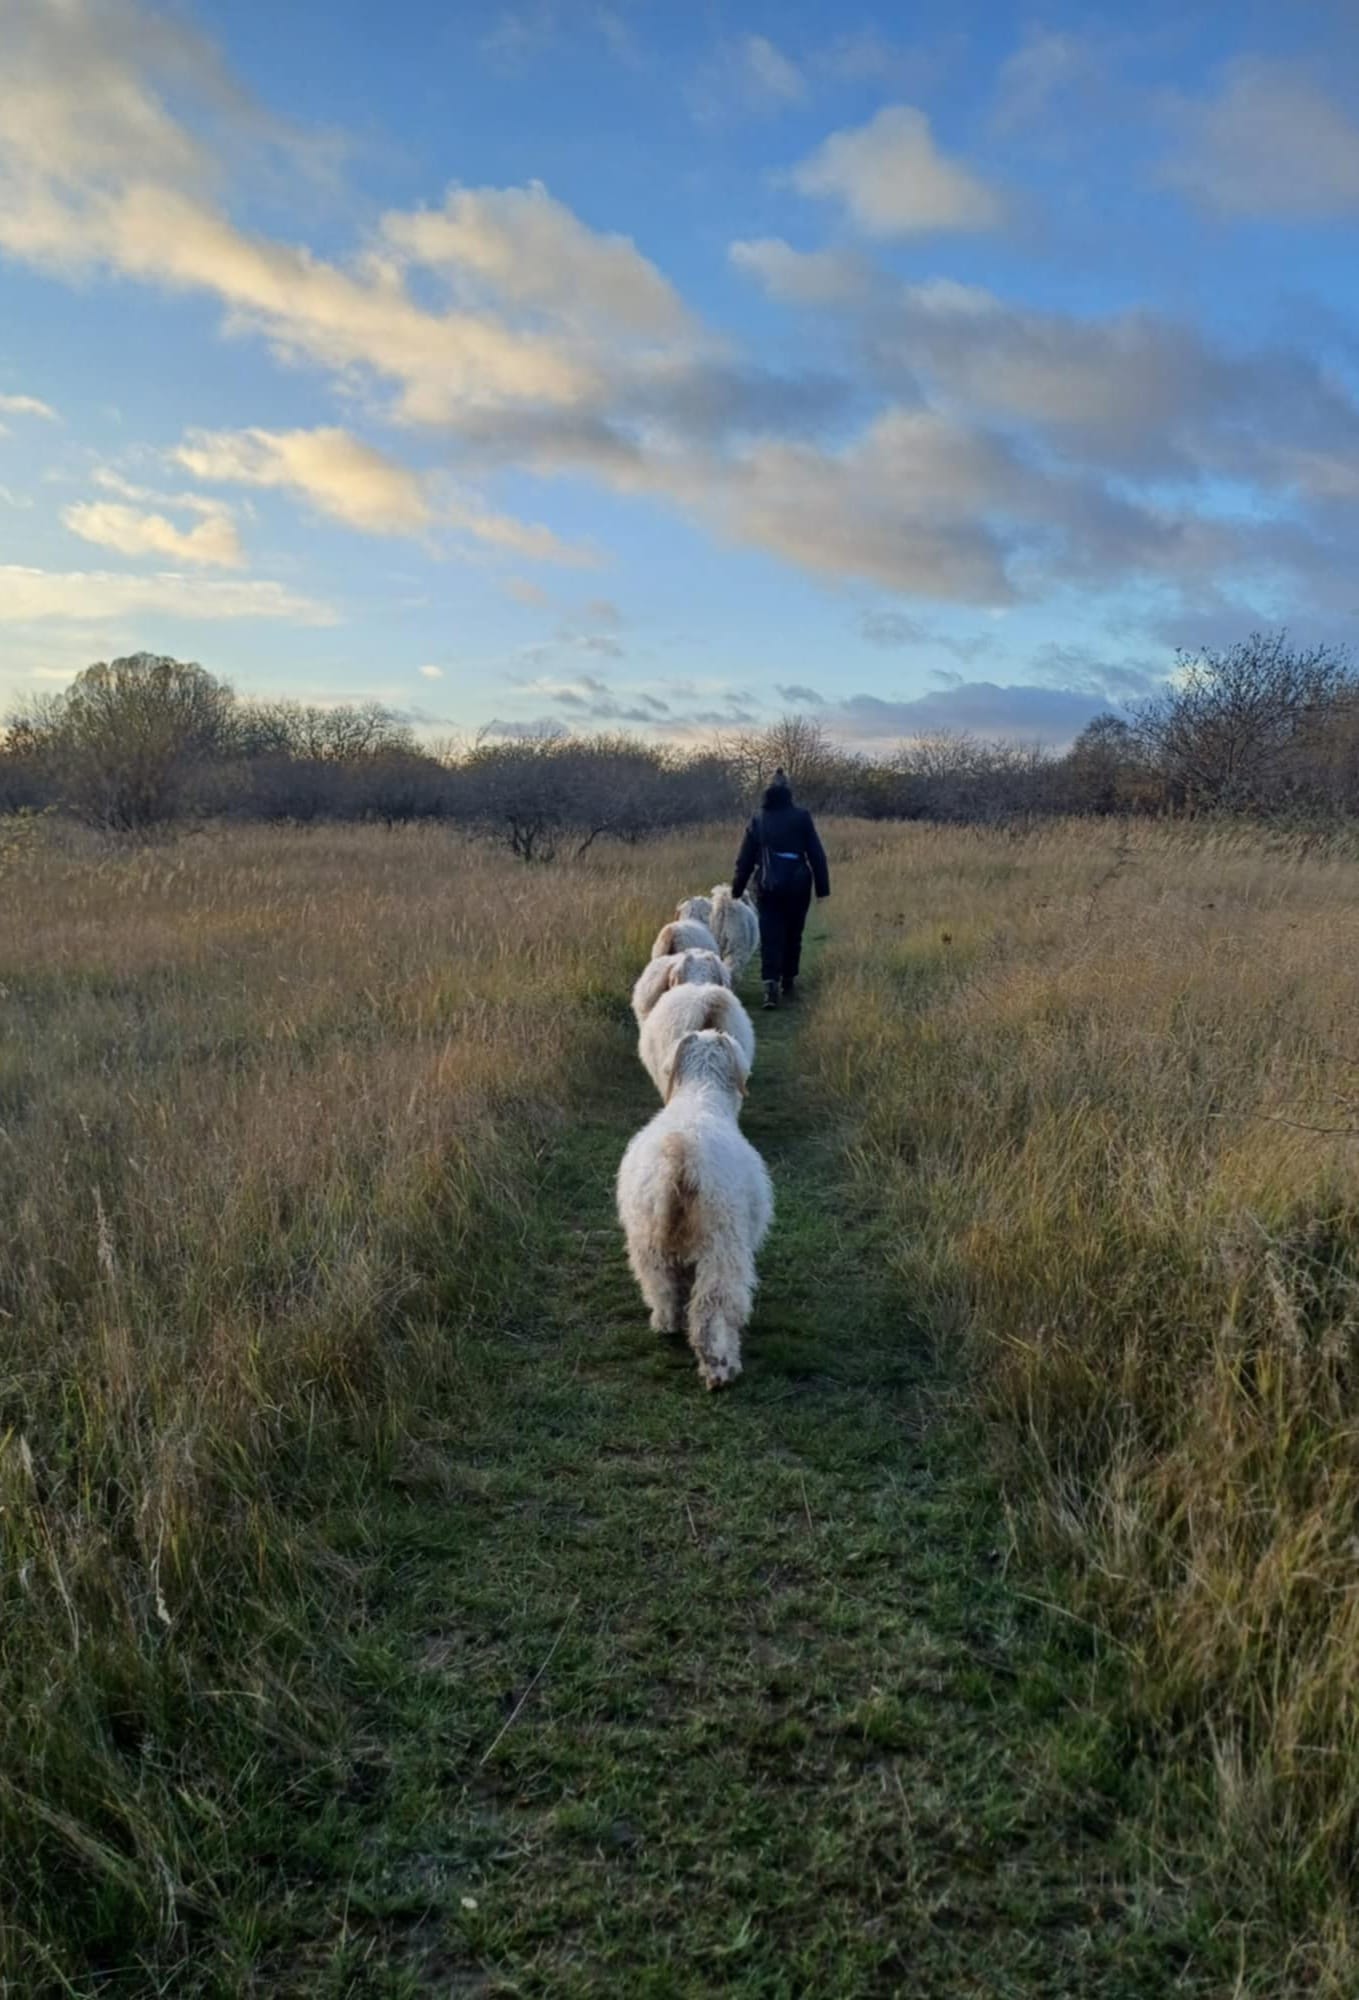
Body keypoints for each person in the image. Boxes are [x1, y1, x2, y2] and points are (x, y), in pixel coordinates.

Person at [731, 769, 830, 1010]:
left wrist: (737, 888)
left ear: (767, 791)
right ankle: (788, 980)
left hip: (768, 886)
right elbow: (816, 853)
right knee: (794, 933)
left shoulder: (758, 818)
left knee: (770, 935)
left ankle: (770, 986)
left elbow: (745, 858)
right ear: (788, 792)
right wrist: (822, 888)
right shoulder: (801, 817)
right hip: (798, 884)